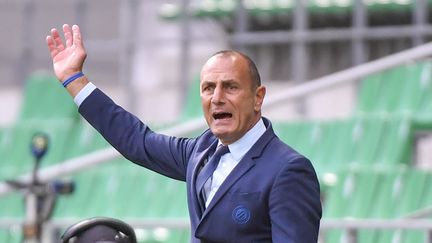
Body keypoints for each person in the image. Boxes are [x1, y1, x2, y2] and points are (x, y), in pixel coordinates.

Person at [46, 24, 322, 242]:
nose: (217, 98)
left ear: (258, 97)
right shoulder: (200, 151)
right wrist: (74, 79)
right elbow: (137, 141)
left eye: (231, 87)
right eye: (208, 88)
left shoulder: (289, 170)